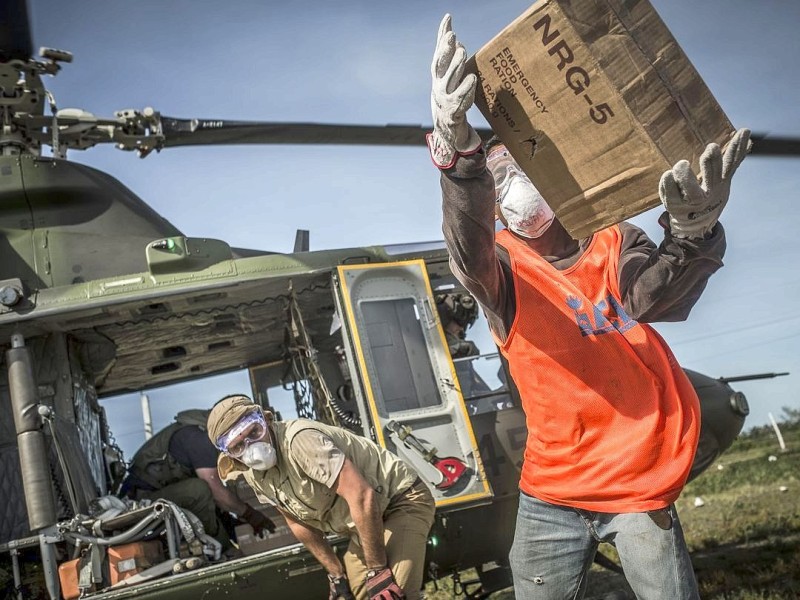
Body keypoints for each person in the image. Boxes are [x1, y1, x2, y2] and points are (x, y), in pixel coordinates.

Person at [426, 13, 751, 600]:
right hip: (552, 489)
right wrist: (460, 158)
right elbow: (465, 243)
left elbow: (651, 295)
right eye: (496, 182)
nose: (510, 189)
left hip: (636, 477)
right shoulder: (498, 270)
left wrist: (693, 233)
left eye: (517, 172)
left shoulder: (611, 238)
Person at [207, 395, 435, 600]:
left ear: (265, 421)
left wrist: (377, 569)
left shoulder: (300, 440)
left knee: (391, 594)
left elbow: (362, 495)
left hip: (399, 502)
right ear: (230, 454)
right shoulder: (252, 473)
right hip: (363, 523)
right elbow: (296, 522)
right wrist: (336, 574)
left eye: (254, 432)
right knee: (356, 594)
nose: (252, 448)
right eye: (238, 446)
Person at [120, 409, 275, 554]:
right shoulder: (199, 438)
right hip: (140, 501)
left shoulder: (207, 433)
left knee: (206, 494)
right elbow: (216, 492)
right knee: (199, 490)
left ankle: (228, 542)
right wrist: (250, 514)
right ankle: (225, 552)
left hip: (161, 495)